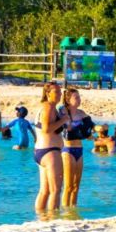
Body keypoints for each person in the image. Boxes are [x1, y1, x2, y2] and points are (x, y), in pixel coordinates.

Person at [34, 82, 67, 213]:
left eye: (60, 92)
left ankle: (40, 217)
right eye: (56, 92)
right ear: (47, 93)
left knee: (45, 191)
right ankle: (54, 219)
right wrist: (63, 120)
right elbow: (47, 129)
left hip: (42, 151)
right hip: (50, 152)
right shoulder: (48, 107)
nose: (59, 95)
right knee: (56, 190)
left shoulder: (49, 108)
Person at [60, 87, 93, 207]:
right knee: (68, 186)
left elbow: (90, 128)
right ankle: (65, 211)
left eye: (79, 97)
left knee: (76, 186)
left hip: (79, 149)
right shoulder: (63, 111)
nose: (79, 99)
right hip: (68, 150)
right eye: (76, 97)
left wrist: (99, 129)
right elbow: (68, 130)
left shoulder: (81, 113)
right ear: (68, 100)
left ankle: (73, 211)